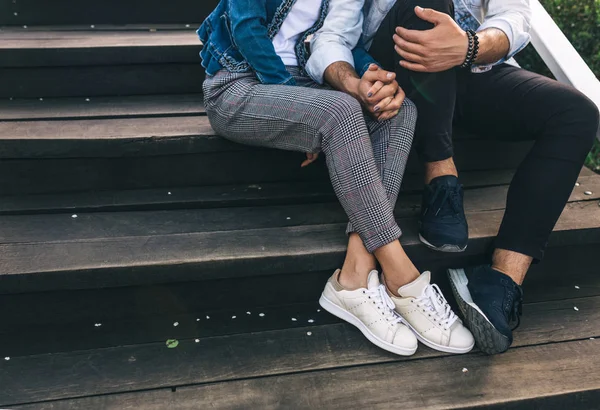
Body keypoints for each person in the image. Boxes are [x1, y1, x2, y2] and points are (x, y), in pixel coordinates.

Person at [198, 0, 474, 357]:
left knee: (400, 110)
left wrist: (374, 79)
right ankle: (401, 274)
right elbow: (246, 29)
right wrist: (299, 97)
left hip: (304, 86)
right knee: (342, 111)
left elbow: (339, 41)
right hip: (238, 84)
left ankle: (354, 277)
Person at [356, 0, 600, 354]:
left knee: (576, 113)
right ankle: (441, 177)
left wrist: (468, 46)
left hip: (467, 62)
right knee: (427, 4)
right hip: (394, 61)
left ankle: (500, 280)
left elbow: (515, 15)